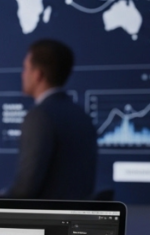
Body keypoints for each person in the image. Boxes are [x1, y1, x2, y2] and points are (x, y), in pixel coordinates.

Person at [7, 39, 97, 199]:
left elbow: (25, 189)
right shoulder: (81, 115)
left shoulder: (39, 117)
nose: (23, 75)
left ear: (38, 75)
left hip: (43, 220)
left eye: (26, 68)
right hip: (73, 218)